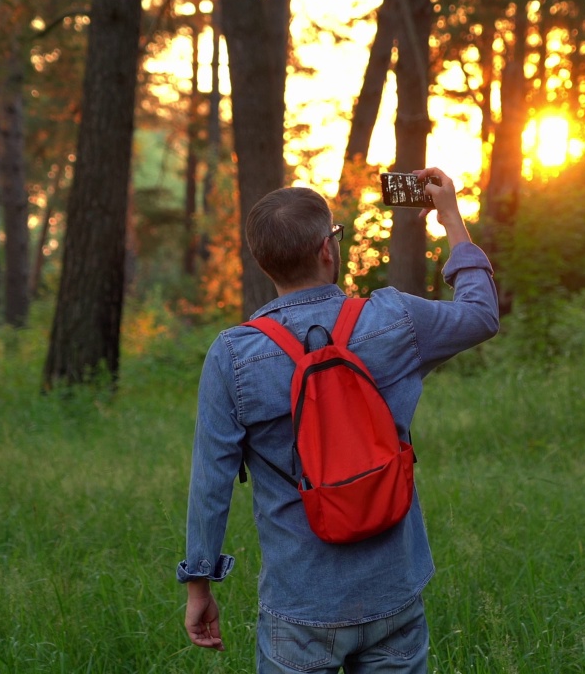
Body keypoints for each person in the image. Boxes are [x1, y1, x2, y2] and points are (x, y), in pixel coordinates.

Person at [178, 167, 499, 673]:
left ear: (264, 263)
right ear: (328, 249)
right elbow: (482, 314)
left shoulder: (233, 356)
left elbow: (210, 482)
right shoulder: (393, 318)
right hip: (393, 588)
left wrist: (199, 583)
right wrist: (451, 218)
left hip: (301, 602)